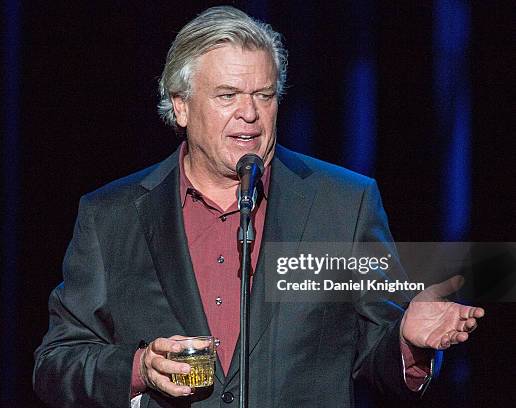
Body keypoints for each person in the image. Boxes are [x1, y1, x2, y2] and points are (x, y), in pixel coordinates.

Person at [33, 6, 484, 408]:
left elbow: (376, 352)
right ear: (181, 107)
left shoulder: (343, 203)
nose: (250, 113)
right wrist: (139, 368)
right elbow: (57, 365)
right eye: (228, 95)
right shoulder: (111, 215)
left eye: (264, 95)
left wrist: (408, 342)